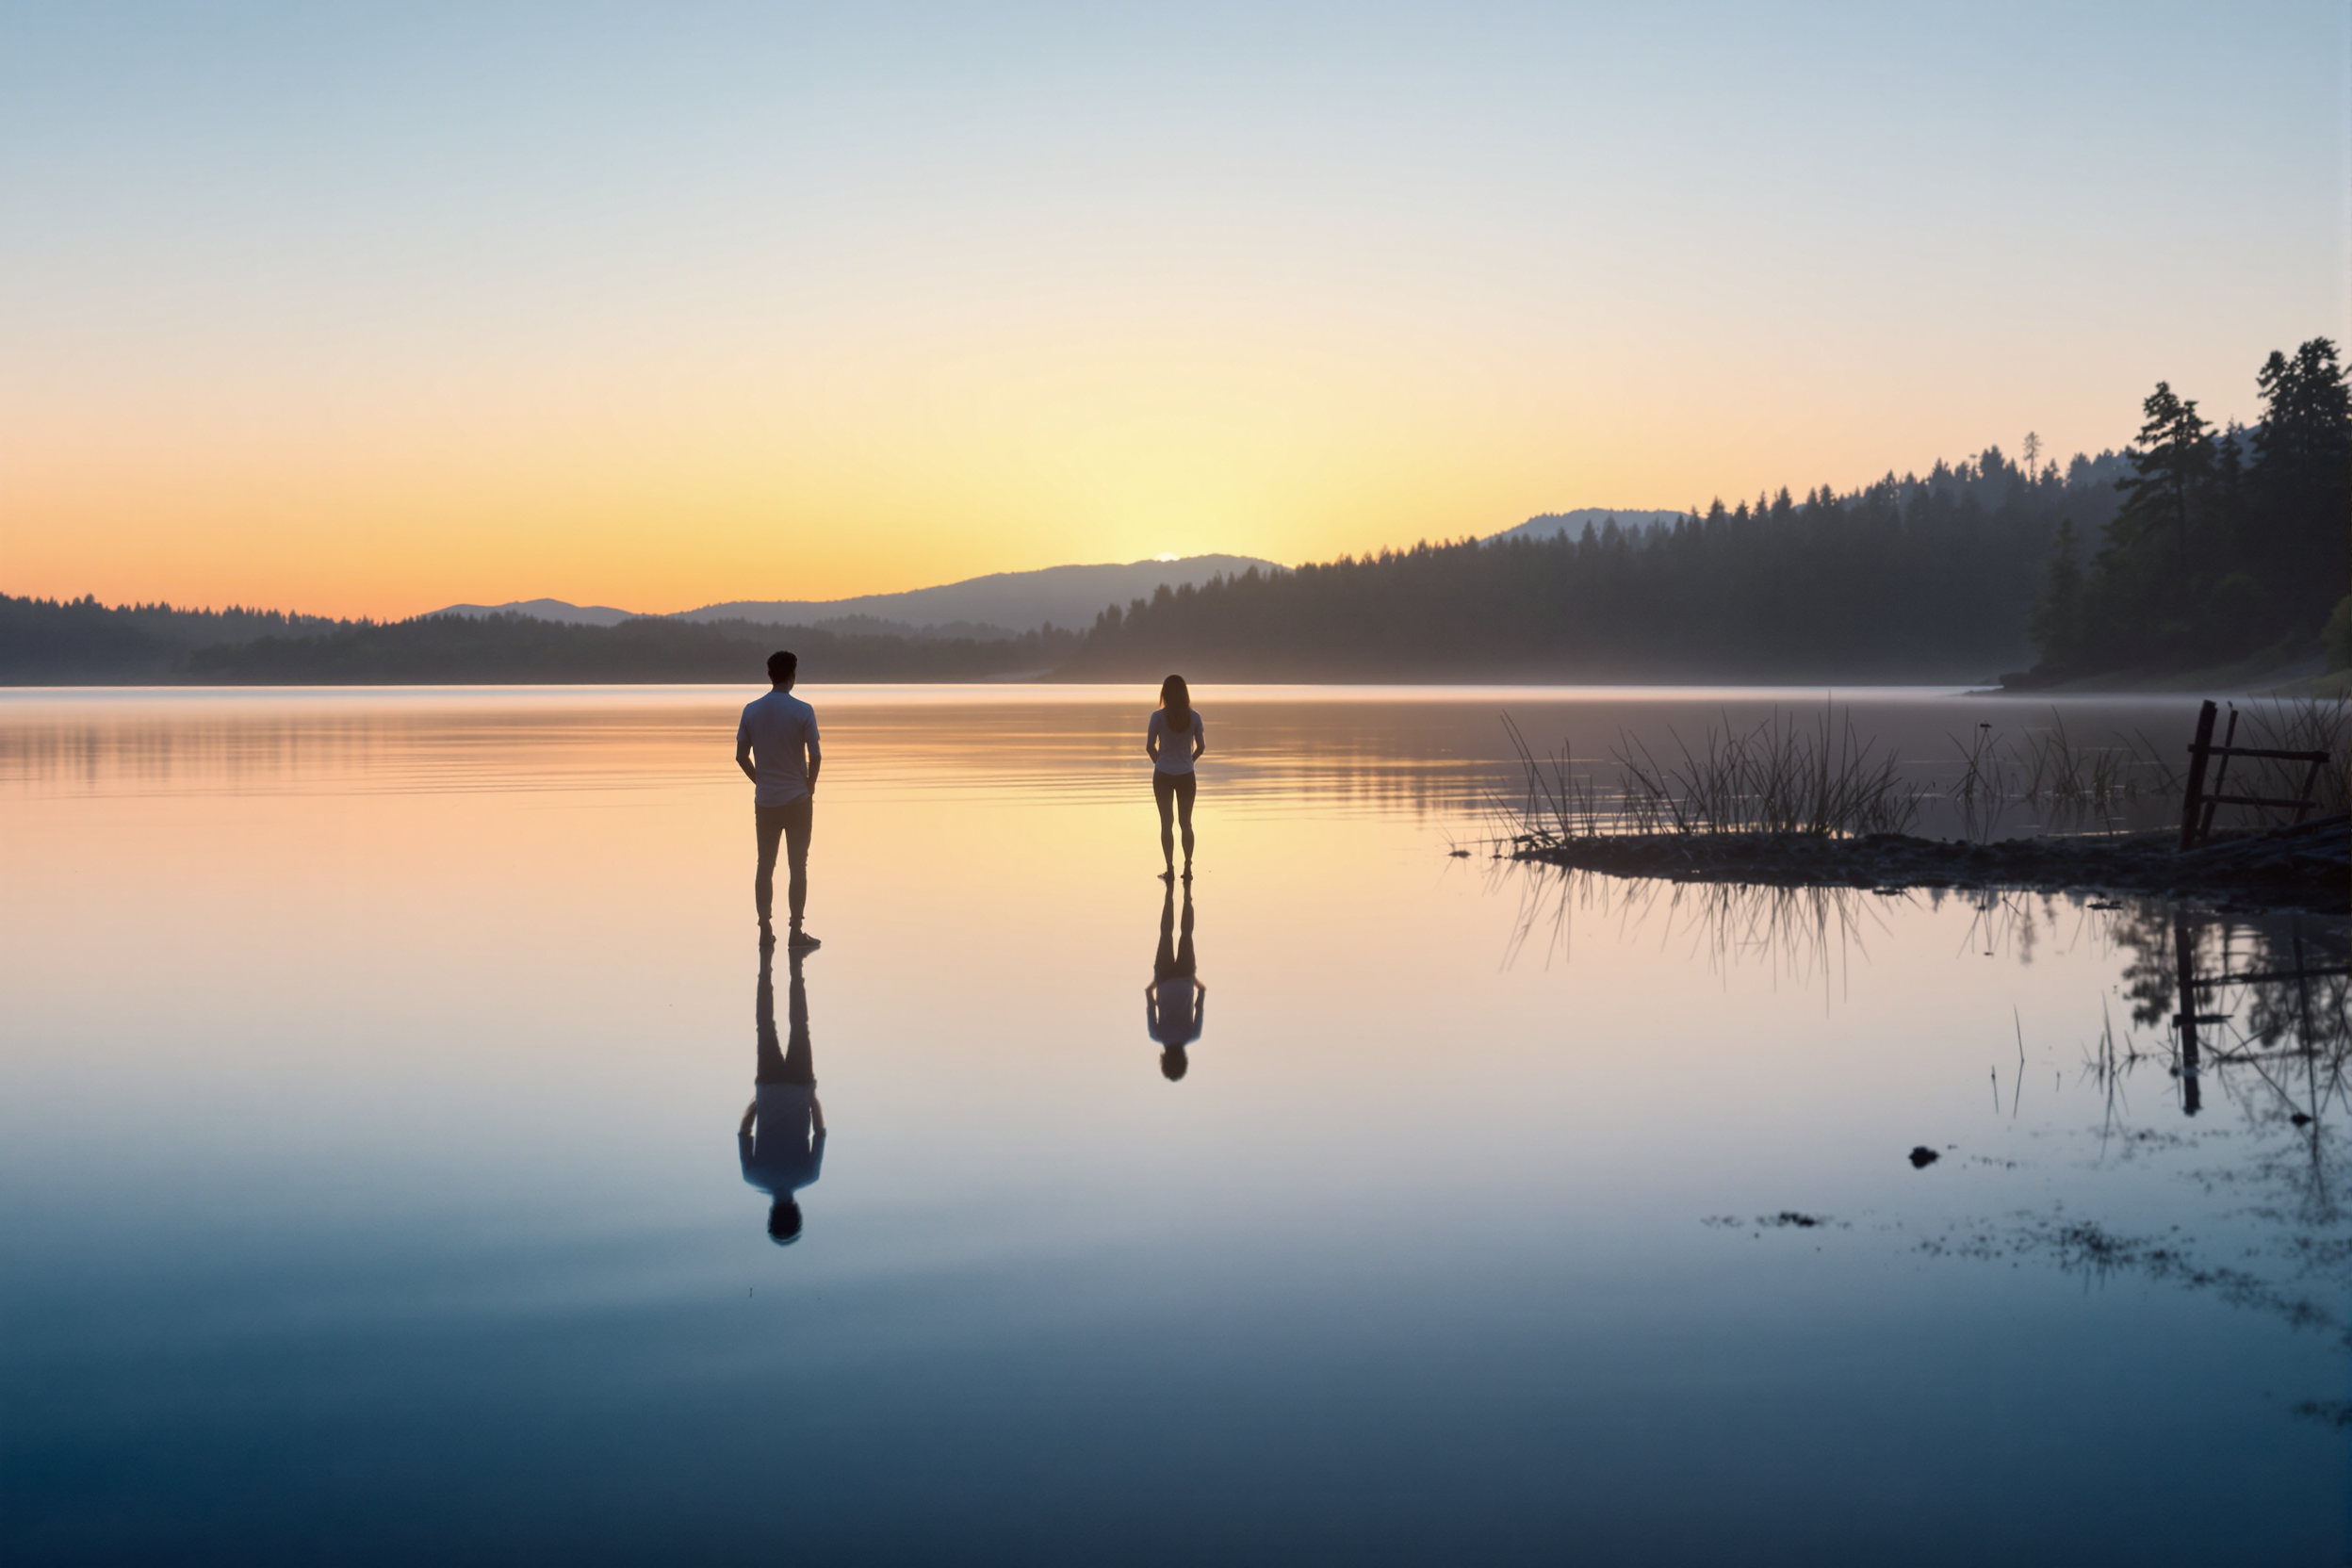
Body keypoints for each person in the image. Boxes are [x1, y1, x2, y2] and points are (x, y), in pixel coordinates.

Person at [739, 946, 825, 1245]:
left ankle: (797, 969)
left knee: (800, 1028)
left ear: (797, 1213)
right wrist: (758, 1101)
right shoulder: (752, 1176)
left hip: (800, 1085)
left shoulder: (809, 1175)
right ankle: (765, 965)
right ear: (771, 1216)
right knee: (765, 1027)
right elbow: (744, 1130)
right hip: (768, 1086)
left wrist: (811, 1097)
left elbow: (820, 1131)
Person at [737, 650, 822, 950]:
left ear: (769, 675)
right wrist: (810, 785)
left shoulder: (751, 710)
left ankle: (764, 930)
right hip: (798, 801)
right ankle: (796, 931)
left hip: (766, 802)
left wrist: (761, 781)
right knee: (798, 866)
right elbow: (816, 756)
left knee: (765, 865)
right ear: (793, 676)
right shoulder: (803, 710)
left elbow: (741, 756)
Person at [1144, 674, 1205, 880]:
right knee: (1186, 823)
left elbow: (1149, 747)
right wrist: (1189, 761)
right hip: (1186, 775)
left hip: (1163, 775)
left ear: (1165, 694)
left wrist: (1159, 762)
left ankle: (1169, 869)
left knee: (1166, 823)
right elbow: (1201, 747)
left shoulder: (1157, 717)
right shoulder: (1194, 717)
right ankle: (1187, 868)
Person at [1144, 878, 1204, 1082]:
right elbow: (1150, 999)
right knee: (1166, 934)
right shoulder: (1156, 1034)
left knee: (1186, 935)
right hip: (1164, 978)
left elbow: (1200, 1003)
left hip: (1186, 978)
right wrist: (1155, 983)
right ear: (1164, 1062)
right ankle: (1169, 891)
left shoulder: (1193, 1035)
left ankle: (1187, 892)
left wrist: (1197, 984)